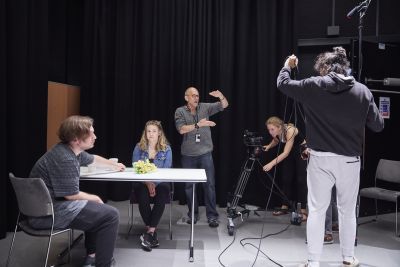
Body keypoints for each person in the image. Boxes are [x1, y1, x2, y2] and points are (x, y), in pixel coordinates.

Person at [277, 47, 384, 267]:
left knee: (316, 210)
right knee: (347, 212)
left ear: (325, 68)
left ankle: (313, 261)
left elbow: (283, 83)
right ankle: (347, 258)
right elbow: (378, 125)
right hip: (350, 161)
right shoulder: (363, 91)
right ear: (346, 67)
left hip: (320, 159)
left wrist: (288, 65)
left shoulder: (314, 85)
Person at [29, 115, 126, 267]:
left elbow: (92, 158)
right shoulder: (64, 158)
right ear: (76, 139)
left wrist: (114, 165)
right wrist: (95, 198)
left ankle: (92, 256)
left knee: (98, 211)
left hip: (46, 208)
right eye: (91, 134)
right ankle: (104, 263)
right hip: (47, 214)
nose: (95, 136)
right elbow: (71, 195)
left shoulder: (68, 150)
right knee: (110, 215)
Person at [174, 86, 229, 227]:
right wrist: (198, 125)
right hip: (188, 155)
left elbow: (225, 105)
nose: (196, 98)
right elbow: (181, 129)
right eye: (193, 95)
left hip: (205, 154)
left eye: (197, 95)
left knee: (209, 185)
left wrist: (221, 96)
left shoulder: (205, 107)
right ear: (186, 97)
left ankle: (212, 216)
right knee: (189, 187)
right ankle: (193, 214)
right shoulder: (180, 111)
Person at [131, 120, 172, 251]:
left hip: (160, 181)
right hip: (143, 182)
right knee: (141, 192)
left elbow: (166, 170)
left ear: (159, 133)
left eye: (154, 131)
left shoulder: (166, 149)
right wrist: (148, 183)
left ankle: (149, 232)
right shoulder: (139, 147)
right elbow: (136, 168)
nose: (151, 134)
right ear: (145, 133)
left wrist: (154, 183)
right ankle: (151, 233)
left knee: (164, 190)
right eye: (148, 131)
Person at [262, 116, 308, 221]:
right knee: (286, 178)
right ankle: (285, 206)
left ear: (279, 127)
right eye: (269, 129)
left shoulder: (290, 130)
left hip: (300, 151)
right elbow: (276, 140)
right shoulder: (277, 132)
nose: (270, 132)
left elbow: (285, 153)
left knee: (301, 180)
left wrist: (271, 164)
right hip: (290, 152)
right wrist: (269, 146)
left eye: (272, 129)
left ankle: (303, 210)